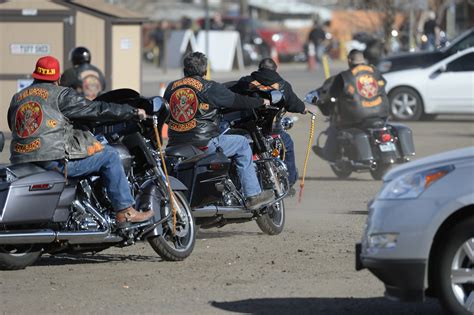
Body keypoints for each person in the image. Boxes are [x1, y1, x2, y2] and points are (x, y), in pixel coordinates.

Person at [9, 55, 153, 225]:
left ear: (35, 75)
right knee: (110, 156)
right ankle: (125, 211)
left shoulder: (18, 97)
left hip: (22, 160)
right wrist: (132, 112)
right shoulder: (60, 95)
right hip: (54, 161)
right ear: (57, 79)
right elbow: (96, 109)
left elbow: (15, 125)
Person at [163, 52, 274, 210]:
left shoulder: (171, 87)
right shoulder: (209, 87)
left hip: (175, 143)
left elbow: (167, 113)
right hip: (204, 143)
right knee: (242, 143)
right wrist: (260, 101)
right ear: (205, 70)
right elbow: (237, 100)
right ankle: (252, 195)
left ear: (184, 70)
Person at [230, 58, 306, 188]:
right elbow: (295, 105)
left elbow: (231, 97)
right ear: (275, 69)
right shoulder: (283, 85)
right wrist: (303, 109)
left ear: (259, 68)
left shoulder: (247, 81)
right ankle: (290, 180)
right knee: (287, 145)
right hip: (273, 131)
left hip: (249, 130)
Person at [312, 49, 389, 161]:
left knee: (336, 128)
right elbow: (382, 86)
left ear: (349, 60)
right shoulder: (375, 72)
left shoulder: (345, 76)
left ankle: (329, 154)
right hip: (381, 112)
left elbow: (332, 94)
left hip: (357, 116)